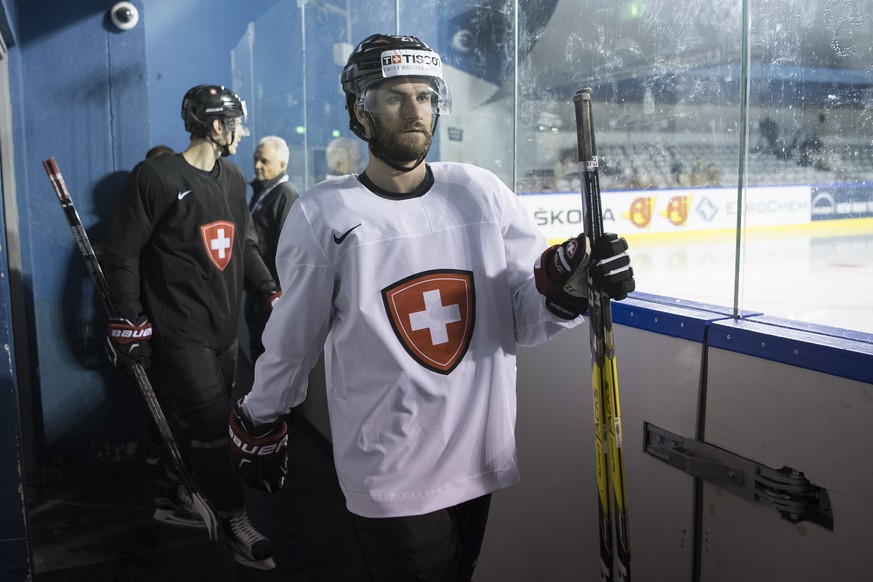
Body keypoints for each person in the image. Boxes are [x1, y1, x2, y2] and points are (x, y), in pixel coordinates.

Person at [228, 34, 634, 581]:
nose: (414, 110)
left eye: (425, 95)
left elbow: (521, 322)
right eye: (394, 96)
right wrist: (262, 412)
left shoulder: (480, 193)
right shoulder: (325, 211)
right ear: (359, 112)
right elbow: (293, 338)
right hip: (390, 462)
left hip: (477, 453)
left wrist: (570, 288)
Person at [101, 84, 281, 570]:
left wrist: (269, 289)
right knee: (209, 430)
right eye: (236, 123)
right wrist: (128, 318)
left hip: (223, 333)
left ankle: (174, 493)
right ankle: (235, 521)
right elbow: (122, 252)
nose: (242, 131)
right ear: (215, 125)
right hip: (178, 332)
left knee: (200, 423)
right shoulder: (155, 177)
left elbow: (241, 245)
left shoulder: (234, 177)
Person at [246, 135, 300, 361]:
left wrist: (276, 293)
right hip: (257, 294)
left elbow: (288, 248)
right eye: (256, 159)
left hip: (273, 297)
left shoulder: (285, 194)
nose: (257, 166)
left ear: (282, 165)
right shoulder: (262, 192)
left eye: (264, 161)